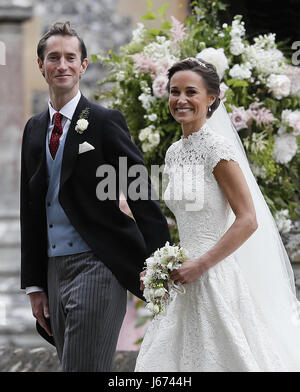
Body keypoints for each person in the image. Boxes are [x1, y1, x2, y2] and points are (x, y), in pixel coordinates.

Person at [20, 21, 171, 372]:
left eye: (70, 57)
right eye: (53, 57)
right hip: (53, 270)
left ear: (83, 65)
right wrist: (34, 285)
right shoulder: (33, 129)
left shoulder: (104, 121)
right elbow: (30, 210)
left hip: (98, 264)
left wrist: (161, 266)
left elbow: (140, 194)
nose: (62, 65)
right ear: (40, 65)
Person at [135, 58, 300, 372]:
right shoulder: (173, 152)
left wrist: (202, 263)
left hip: (215, 274)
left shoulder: (217, 149)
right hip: (182, 276)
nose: (180, 99)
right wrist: (160, 268)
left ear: (211, 98)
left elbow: (248, 218)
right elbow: (187, 214)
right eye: (174, 91)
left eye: (190, 92)